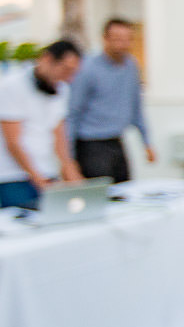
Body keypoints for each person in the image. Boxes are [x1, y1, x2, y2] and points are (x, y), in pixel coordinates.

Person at [67, 18, 155, 183]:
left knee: (124, 191)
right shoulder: (87, 68)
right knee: (101, 196)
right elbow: (73, 113)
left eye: (127, 39)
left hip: (117, 141)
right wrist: (69, 161)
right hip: (90, 145)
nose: (123, 44)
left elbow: (136, 106)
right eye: (117, 39)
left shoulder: (131, 66)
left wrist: (147, 142)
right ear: (105, 38)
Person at [0, 40, 83, 208]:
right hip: (13, 177)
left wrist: (72, 174)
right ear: (46, 59)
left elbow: (59, 135)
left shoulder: (62, 89)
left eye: (73, 72)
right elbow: (13, 142)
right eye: (65, 70)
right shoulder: (11, 86)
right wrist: (38, 179)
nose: (68, 77)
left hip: (46, 173)